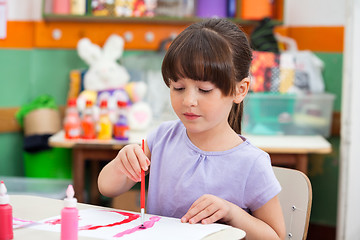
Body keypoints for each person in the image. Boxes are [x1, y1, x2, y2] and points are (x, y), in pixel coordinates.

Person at [98, 18, 285, 239]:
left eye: (204, 90)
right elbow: (107, 188)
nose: (188, 100)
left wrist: (232, 213)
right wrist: (123, 162)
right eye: (178, 87)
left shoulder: (252, 163)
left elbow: (277, 236)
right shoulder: (162, 138)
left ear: (240, 90)